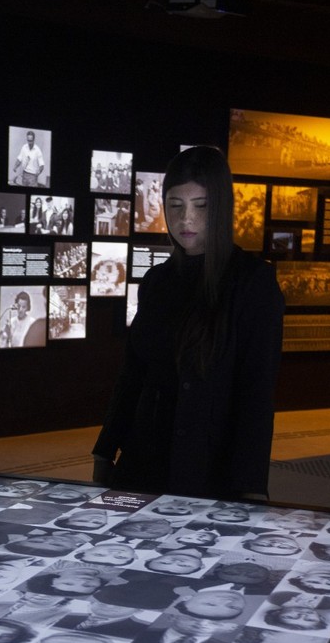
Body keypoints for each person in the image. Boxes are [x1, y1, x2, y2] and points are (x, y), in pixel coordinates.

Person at [92, 146, 284, 499]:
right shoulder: (156, 282)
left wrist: (252, 488)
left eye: (202, 206)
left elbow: (256, 395)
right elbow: (133, 373)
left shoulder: (252, 283)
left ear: (222, 207)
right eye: (176, 206)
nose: (186, 221)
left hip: (209, 468)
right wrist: (106, 448)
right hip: (143, 461)